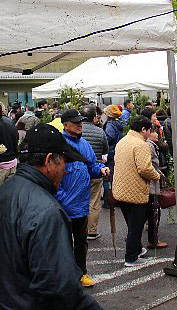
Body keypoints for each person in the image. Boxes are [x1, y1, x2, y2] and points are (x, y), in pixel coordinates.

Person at [0, 124, 103, 310]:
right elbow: (59, 287)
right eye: (64, 163)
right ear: (49, 160)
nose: (66, 170)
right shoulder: (47, 211)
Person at [56, 110, 109, 288]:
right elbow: (53, 175)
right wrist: (61, 197)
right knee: (62, 243)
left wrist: (100, 169)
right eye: (75, 122)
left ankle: (82, 272)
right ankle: (63, 275)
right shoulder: (59, 145)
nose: (80, 124)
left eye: (80, 121)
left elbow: (92, 166)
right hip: (63, 206)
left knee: (81, 242)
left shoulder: (85, 144)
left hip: (80, 204)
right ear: (66, 125)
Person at [112, 117, 161, 266]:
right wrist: (157, 175)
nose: (150, 133)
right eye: (149, 130)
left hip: (120, 190)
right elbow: (145, 168)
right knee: (136, 226)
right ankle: (131, 257)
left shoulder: (122, 141)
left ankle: (137, 249)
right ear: (143, 130)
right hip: (135, 191)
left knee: (132, 224)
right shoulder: (141, 145)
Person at [81, 105, 109, 241]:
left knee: (80, 199)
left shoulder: (76, 132)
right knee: (94, 201)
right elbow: (105, 149)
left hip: (79, 172)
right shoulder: (99, 132)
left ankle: (79, 228)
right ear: (94, 117)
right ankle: (91, 231)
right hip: (97, 170)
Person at [146, 124, 167, 249]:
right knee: (153, 212)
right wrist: (158, 174)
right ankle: (153, 240)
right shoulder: (149, 146)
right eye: (154, 132)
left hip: (151, 182)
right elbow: (151, 165)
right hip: (151, 183)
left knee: (150, 212)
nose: (157, 134)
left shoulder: (153, 145)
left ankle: (152, 239)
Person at [103, 105, 124, 206]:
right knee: (115, 176)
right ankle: (117, 198)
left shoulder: (110, 124)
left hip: (111, 152)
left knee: (108, 177)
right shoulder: (118, 123)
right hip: (117, 150)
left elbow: (109, 137)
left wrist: (103, 141)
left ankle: (109, 200)